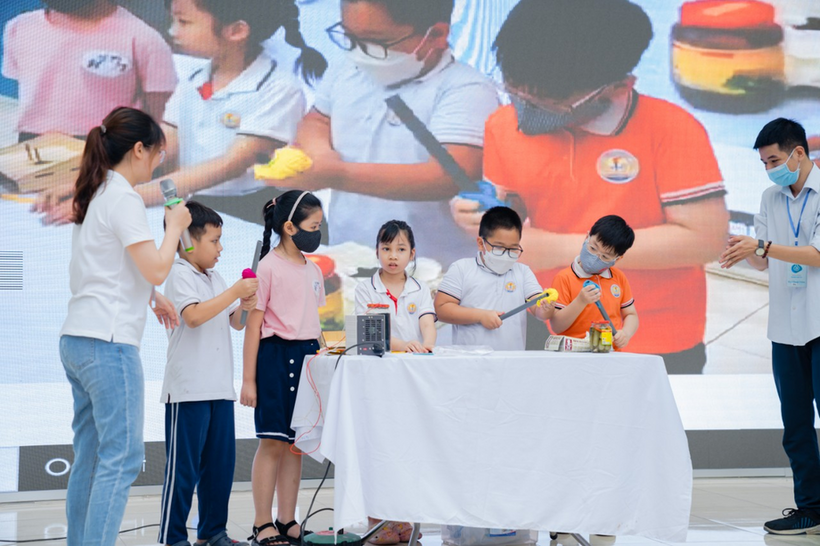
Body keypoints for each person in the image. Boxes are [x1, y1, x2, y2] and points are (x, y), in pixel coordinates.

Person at [452, 0, 729, 373]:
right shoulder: (504, 125)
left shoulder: (670, 129)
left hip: (648, 331)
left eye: (547, 100)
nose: (526, 107)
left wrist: (560, 249)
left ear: (611, 86)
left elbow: (704, 239)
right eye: (516, 89)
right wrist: (483, 215)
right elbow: (514, 206)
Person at [40, 0, 326, 224]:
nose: (172, 31)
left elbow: (228, 166)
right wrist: (98, 179)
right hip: (193, 200)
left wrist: (122, 197)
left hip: (252, 213)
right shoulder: (195, 77)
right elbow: (163, 143)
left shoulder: (279, 89)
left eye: (184, 22)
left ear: (237, 31)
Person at [58, 106, 191, 546]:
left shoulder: (97, 192)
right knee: (122, 458)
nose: (158, 163)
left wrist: (151, 295)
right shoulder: (125, 198)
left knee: (92, 457)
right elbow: (156, 267)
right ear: (138, 149)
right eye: (157, 154)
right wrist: (174, 226)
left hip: (78, 339)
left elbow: (104, 264)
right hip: (108, 345)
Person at [286, 0, 499, 267]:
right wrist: (321, 155)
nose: (360, 52)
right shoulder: (348, 68)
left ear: (437, 35)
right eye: (350, 38)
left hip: (432, 267)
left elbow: (447, 176)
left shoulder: (467, 89)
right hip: (351, 251)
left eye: (379, 42)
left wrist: (337, 174)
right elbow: (317, 119)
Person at [720, 118, 820, 535]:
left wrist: (761, 246)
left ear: (798, 153)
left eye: (774, 161)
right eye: (763, 164)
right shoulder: (769, 197)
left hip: (819, 323)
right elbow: (761, 261)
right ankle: (811, 509)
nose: (769, 170)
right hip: (784, 327)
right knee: (795, 425)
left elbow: (816, 253)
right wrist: (743, 248)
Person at [157, 201, 259, 546]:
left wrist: (245, 306)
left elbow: (235, 322)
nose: (220, 248)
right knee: (183, 471)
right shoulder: (178, 273)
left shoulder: (214, 277)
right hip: (188, 391)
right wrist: (234, 293)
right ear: (188, 241)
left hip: (219, 389)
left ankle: (213, 533)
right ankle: (173, 538)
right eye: (214, 241)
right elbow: (194, 316)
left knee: (219, 469)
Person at [240, 190, 325, 546]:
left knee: (295, 445)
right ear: (290, 227)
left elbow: (314, 322)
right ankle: (262, 523)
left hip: (308, 358)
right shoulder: (268, 267)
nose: (318, 233)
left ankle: (287, 519)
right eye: (313, 226)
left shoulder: (314, 269)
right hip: (275, 359)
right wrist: (248, 380)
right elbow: (253, 326)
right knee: (273, 443)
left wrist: (324, 358)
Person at [2, 0, 176, 142]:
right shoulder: (18, 28)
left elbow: (155, 115)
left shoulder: (145, 40)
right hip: (32, 147)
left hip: (108, 148)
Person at [435, 206, 554, 351]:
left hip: (512, 359)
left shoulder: (523, 272)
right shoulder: (461, 269)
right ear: (481, 243)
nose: (507, 254)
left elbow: (539, 310)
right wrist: (480, 316)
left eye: (513, 249)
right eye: (499, 248)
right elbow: (441, 309)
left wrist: (545, 309)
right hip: (470, 360)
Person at [550, 215, 639, 351]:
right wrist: (580, 301)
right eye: (593, 248)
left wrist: (626, 334)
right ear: (587, 237)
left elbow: (631, 314)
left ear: (617, 259)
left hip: (609, 352)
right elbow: (556, 326)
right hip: (573, 353)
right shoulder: (564, 278)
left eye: (605, 257)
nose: (595, 258)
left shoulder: (618, 278)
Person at [355, 220, 436, 355]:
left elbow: (427, 324)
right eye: (386, 249)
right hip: (379, 361)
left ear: (412, 254)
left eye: (401, 249)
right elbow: (370, 333)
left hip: (414, 359)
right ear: (377, 252)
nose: (393, 256)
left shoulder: (421, 289)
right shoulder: (365, 289)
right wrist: (403, 345)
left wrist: (427, 345)